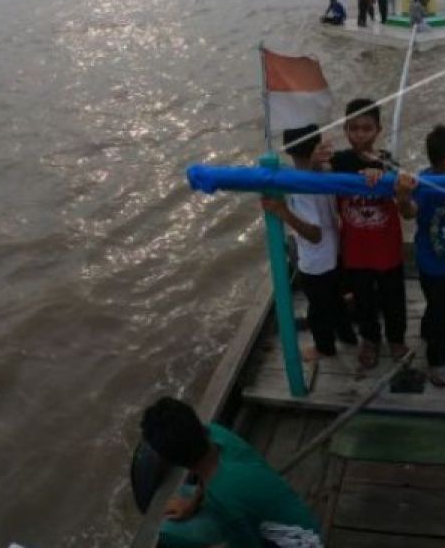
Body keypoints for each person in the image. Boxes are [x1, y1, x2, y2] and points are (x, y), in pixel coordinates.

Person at [141, 397, 324, 548]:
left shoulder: (223, 500)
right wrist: (192, 503)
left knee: (172, 537)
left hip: (297, 543)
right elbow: (208, 477)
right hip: (303, 525)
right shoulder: (217, 434)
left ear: (175, 462)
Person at [261, 125, 356, 359]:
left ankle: (324, 348)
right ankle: (347, 336)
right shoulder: (323, 172)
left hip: (315, 263)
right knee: (336, 303)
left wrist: (283, 212)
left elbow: (314, 234)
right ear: (317, 144)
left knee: (318, 311)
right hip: (334, 255)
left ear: (289, 152)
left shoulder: (300, 187)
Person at [330, 99, 407, 368]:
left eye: (366, 128)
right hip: (356, 251)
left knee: (393, 299)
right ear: (345, 129)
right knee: (363, 301)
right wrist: (313, 160)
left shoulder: (387, 161)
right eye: (354, 128)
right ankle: (370, 339)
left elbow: (404, 200)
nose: (360, 134)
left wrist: (380, 171)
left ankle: (396, 338)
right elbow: (314, 172)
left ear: (378, 130)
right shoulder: (337, 162)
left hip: (387, 250)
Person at [395, 125, 445, 387]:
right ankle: (437, 363)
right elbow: (409, 212)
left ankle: (428, 329)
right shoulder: (424, 185)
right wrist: (403, 196)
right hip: (431, 265)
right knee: (440, 313)